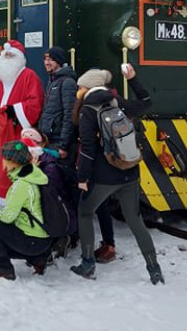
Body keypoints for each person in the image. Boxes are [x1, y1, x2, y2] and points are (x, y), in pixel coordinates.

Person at [70, 65, 164, 285]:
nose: (78, 91)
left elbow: (87, 149)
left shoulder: (88, 110)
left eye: (80, 87)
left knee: (85, 212)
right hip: (129, 171)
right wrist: (132, 79)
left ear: (87, 89)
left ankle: (87, 264)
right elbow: (146, 101)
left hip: (105, 177)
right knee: (135, 219)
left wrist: (82, 178)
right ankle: (154, 268)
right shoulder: (117, 102)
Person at [38, 46, 116, 262]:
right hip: (52, 139)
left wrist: (63, 144)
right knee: (60, 187)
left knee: (71, 190)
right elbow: (51, 111)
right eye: (45, 59)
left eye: (50, 59)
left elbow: (67, 117)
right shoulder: (53, 81)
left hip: (66, 146)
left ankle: (77, 235)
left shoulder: (66, 83)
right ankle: (71, 233)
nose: (47, 63)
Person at [0, 140, 52, 280]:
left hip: (33, 242)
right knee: (8, 228)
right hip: (44, 239)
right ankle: (37, 259)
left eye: (4, 159)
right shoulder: (34, 173)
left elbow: (8, 216)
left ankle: (5, 268)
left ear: (12, 162)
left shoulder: (21, 185)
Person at [0, 40, 44, 200]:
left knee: (18, 167)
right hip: (2, 131)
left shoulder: (29, 76)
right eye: (5, 55)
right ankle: (3, 203)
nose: (7, 58)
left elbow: (35, 102)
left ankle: (19, 203)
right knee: (2, 166)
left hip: (19, 132)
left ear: (20, 58)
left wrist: (14, 110)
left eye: (11, 55)